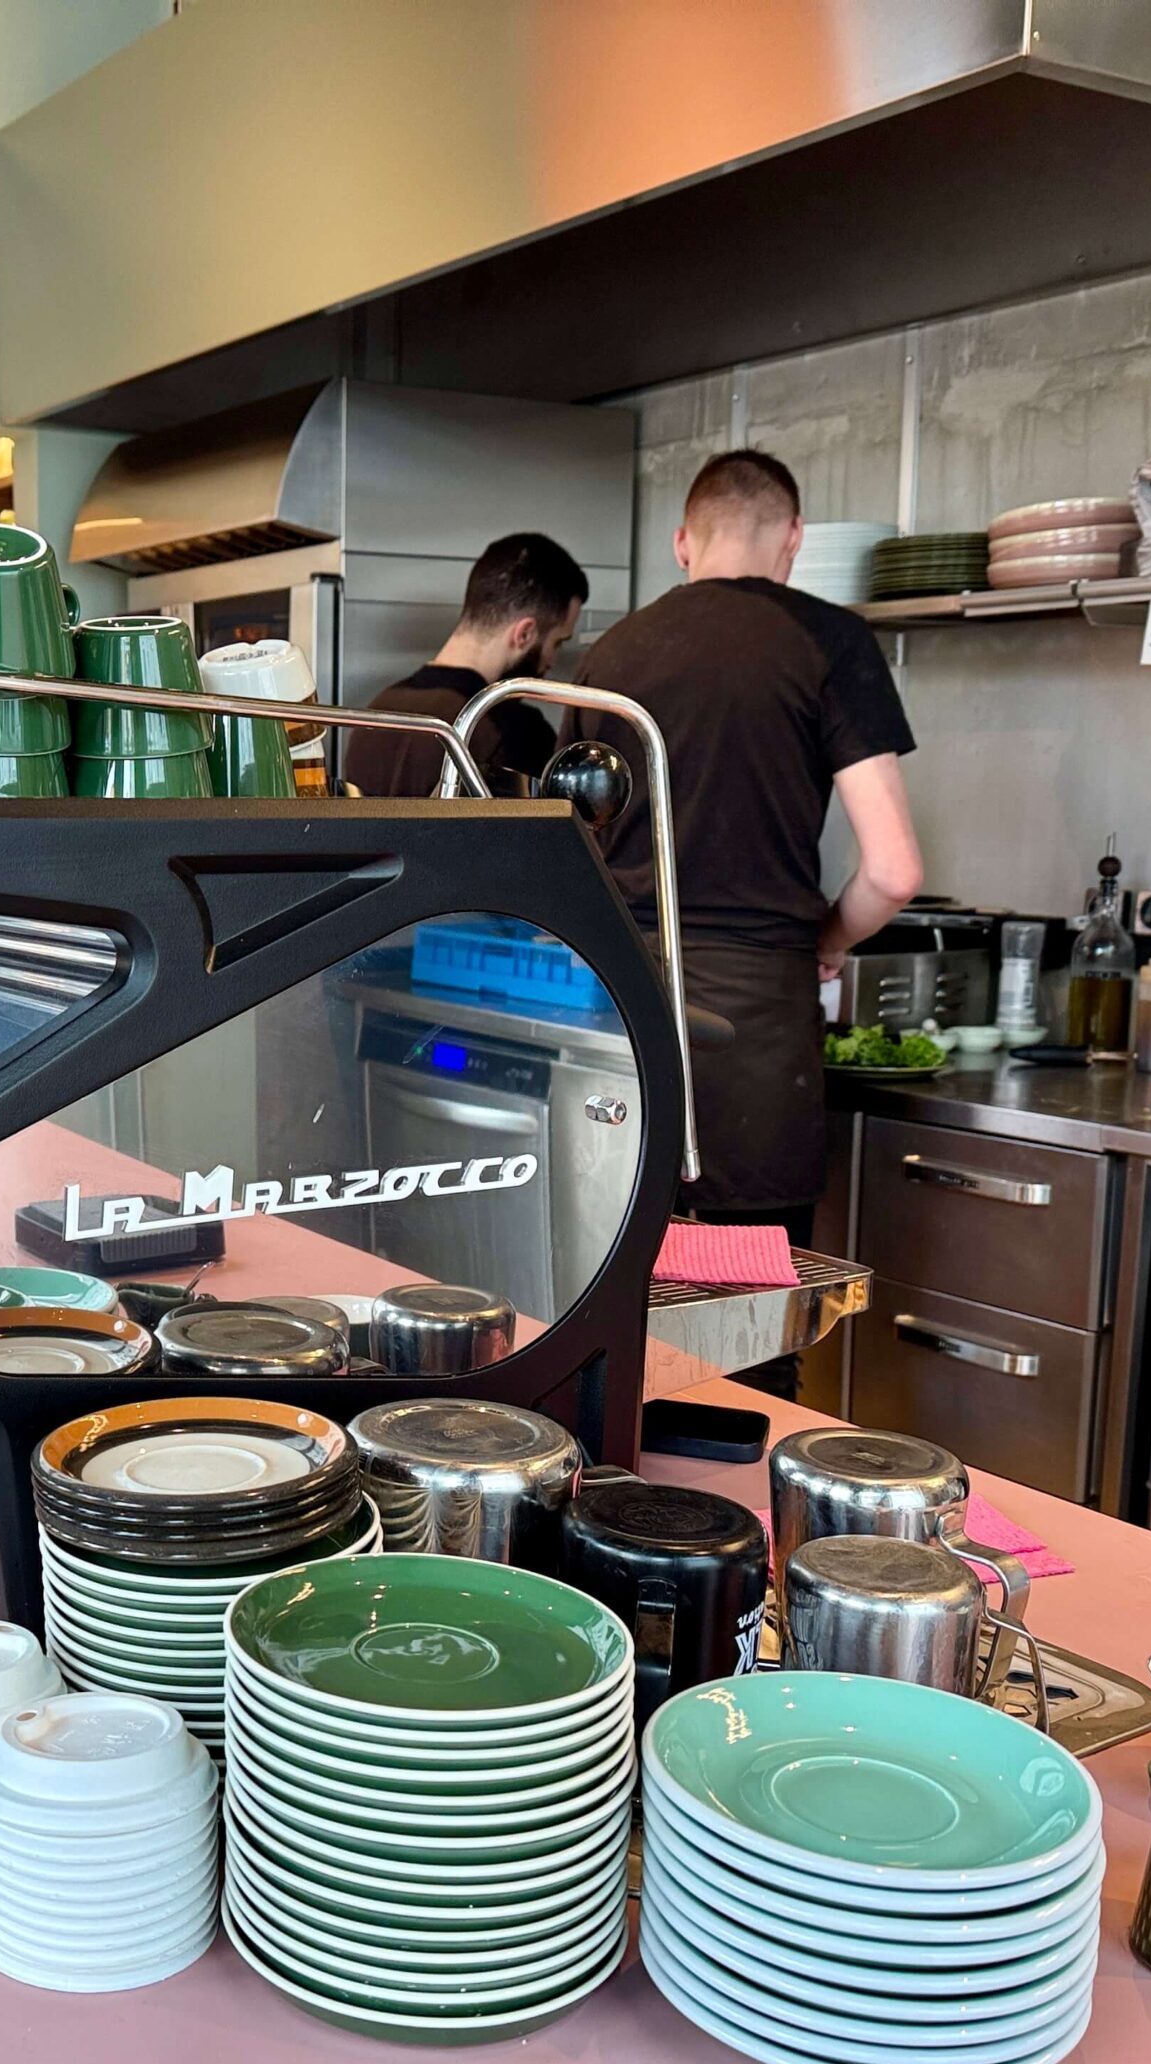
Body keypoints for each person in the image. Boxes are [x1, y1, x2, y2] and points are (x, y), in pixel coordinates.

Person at [571, 450, 922, 1392]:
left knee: (610, 1328)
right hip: (755, 1041)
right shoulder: (828, 642)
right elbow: (894, 871)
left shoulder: (609, 656)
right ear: (793, 541)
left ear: (684, 542)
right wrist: (827, 941)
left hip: (614, 1024)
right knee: (749, 1358)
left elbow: (571, 853)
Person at [346, 531, 590, 797]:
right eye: (556, 642)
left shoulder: (377, 712)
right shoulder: (514, 732)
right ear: (525, 634)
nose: (552, 661)